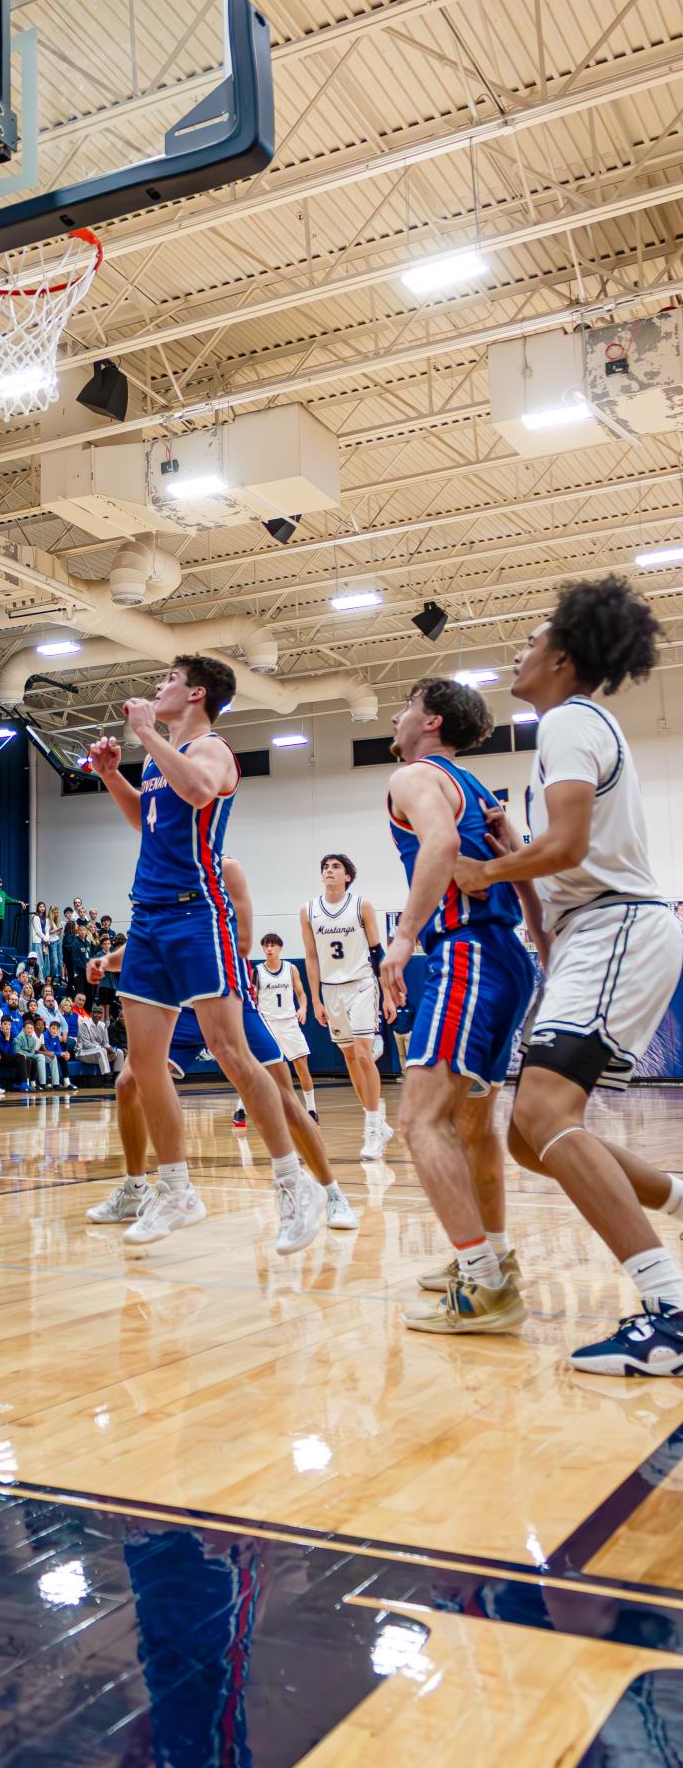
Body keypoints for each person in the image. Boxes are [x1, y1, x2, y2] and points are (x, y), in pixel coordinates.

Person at [453, 578, 683, 1375]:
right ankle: (679, 1198)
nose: (519, 651)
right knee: (530, 1138)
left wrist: (488, 869)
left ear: (562, 657)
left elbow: (573, 846)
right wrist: (520, 848)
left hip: (617, 925)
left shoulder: (569, 721)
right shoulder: (572, 727)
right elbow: (566, 850)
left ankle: (670, 1310)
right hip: (597, 931)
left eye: (531, 640)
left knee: (546, 1111)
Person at [87, 658, 323, 1248]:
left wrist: (146, 733)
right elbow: (147, 821)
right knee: (143, 1066)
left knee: (230, 1053)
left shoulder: (212, 749)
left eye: (168, 678)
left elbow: (198, 790)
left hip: (197, 913)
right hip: (148, 916)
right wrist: (112, 775)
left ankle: (293, 1184)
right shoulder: (159, 760)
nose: (157, 686)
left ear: (196, 693)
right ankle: (175, 1190)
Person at [86, 855, 358, 1240]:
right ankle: (135, 1189)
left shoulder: (224, 869)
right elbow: (148, 943)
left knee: (284, 1099)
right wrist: (108, 961)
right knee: (128, 1084)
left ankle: (331, 1194)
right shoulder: (160, 870)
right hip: (181, 1008)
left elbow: (240, 942)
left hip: (226, 999)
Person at [380, 678, 539, 1335]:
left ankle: (482, 1287)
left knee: (419, 1121)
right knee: (474, 1125)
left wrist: (403, 937)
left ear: (431, 721)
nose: (396, 714)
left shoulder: (415, 776)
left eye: (406, 705)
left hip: (467, 953)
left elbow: (442, 847)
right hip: (506, 957)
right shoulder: (473, 786)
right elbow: (518, 863)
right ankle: (492, 1258)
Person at [301, 854, 394, 1159]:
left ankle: (371, 1130)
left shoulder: (361, 906)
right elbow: (311, 957)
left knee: (364, 1054)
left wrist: (387, 993)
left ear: (348, 876)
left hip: (362, 983)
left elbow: (378, 952)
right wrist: (315, 999)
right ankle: (377, 1122)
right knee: (351, 1058)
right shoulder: (308, 910)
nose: (329, 870)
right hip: (331, 990)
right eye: (325, 867)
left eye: (335, 867)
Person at [253, 933, 317, 1117]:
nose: (269, 949)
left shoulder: (291, 969)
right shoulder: (257, 971)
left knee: (302, 1064)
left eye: (272, 945)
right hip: (268, 1024)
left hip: (289, 1022)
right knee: (256, 1068)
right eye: (266, 946)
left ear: (280, 948)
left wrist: (303, 1008)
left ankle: (312, 1110)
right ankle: (241, 1109)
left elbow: (301, 993)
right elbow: (252, 998)